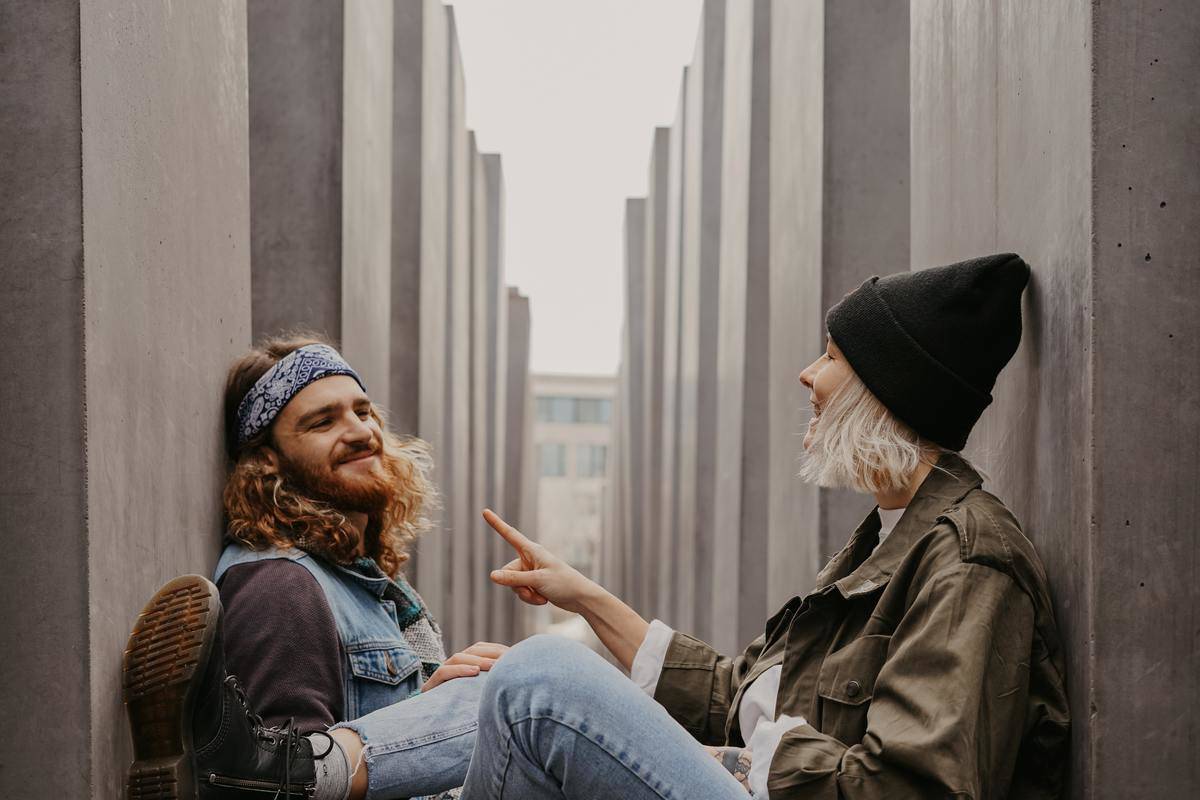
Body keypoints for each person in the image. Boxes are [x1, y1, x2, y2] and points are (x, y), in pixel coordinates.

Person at [451, 253, 1070, 798]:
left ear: (888, 391)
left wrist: (745, 762)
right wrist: (584, 596)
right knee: (505, 681)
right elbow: (736, 698)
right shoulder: (882, 540)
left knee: (539, 679)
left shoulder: (967, 561)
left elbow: (911, 788)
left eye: (832, 356)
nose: (808, 374)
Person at [123, 336, 503, 799]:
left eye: (363, 412)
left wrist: (431, 711)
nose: (361, 432)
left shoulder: (363, 581)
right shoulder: (280, 585)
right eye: (323, 422)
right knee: (523, 691)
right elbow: (276, 787)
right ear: (268, 460)